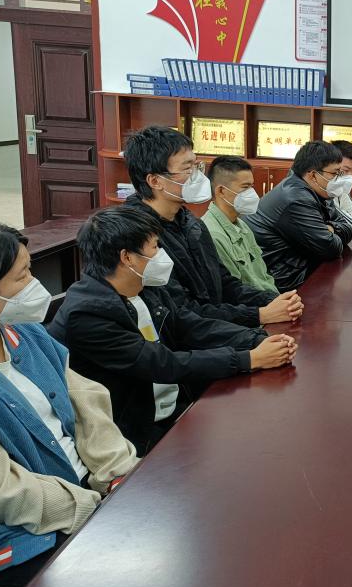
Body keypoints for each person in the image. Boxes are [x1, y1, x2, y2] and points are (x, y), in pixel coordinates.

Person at [49, 206, 297, 454]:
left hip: (174, 406)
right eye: (155, 247)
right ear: (127, 257)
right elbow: (162, 363)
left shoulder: (143, 286)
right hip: (132, 432)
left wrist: (258, 339)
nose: (161, 254)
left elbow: (190, 325)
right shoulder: (88, 314)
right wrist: (249, 359)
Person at [0, 222, 139, 587]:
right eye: (22, 276)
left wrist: (118, 475)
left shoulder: (28, 335)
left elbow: (87, 407)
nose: (34, 285)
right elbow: (2, 490)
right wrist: (88, 508)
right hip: (25, 532)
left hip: (90, 496)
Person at [124, 126, 302, 327]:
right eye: (187, 169)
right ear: (155, 181)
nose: (197, 176)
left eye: (197, 166)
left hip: (217, 326)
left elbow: (224, 283)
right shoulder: (137, 236)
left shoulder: (191, 223)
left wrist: (274, 300)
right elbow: (181, 312)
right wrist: (259, 315)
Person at [245, 141, 352, 292]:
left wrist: (331, 228)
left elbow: (348, 227)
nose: (339, 179)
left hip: (299, 267)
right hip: (282, 281)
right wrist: (329, 232)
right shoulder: (296, 198)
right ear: (313, 175)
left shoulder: (319, 191)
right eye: (335, 174)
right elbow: (331, 248)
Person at [202, 156, 278, 293]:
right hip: (254, 303)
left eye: (251, 187)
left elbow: (263, 276)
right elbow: (235, 291)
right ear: (221, 191)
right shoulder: (213, 235)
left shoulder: (242, 225)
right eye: (245, 187)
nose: (252, 193)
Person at [327, 140, 352, 231]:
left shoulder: (340, 190)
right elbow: (348, 222)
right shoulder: (322, 190)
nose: (350, 177)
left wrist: (334, 226)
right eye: (345, 170)